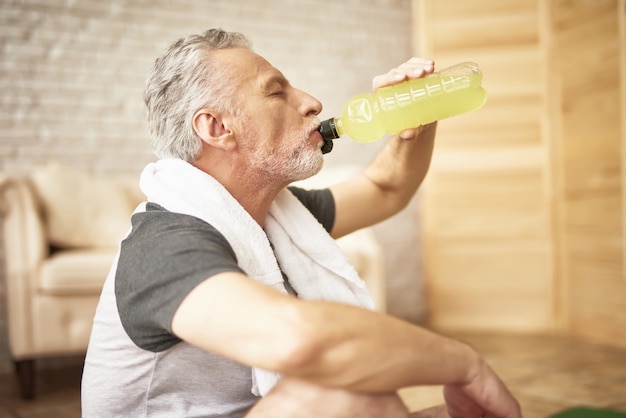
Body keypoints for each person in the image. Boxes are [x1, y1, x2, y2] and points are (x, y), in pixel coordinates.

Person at [81, 28, 522, 418]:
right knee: (348, 397)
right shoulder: (165, 244)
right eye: (277, 92)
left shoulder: (273, 216)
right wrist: (464, 364)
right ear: (216, 127)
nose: (312, 102)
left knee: (370, 400)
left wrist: (413, 122)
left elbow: (386, 189)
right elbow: (300, 340)